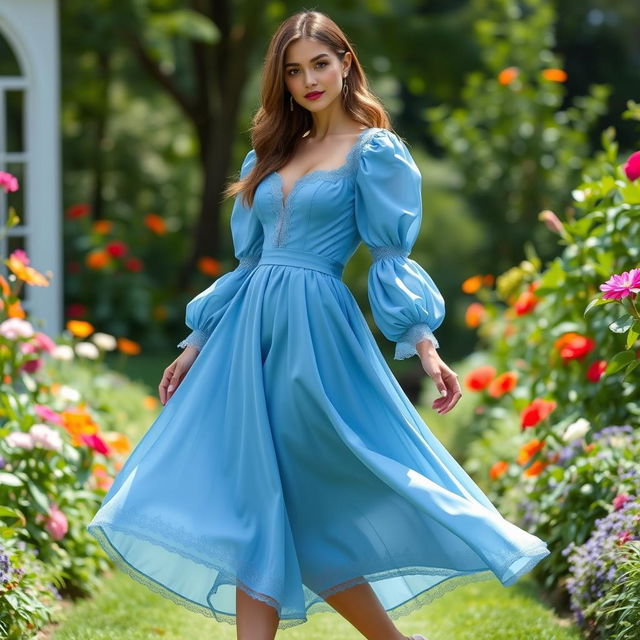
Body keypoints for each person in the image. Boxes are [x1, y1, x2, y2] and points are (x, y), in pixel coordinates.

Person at [86, 9, 550, 640]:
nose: (308, 80)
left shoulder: (374, 150)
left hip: (316, 333)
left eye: (320, 64)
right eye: (294, 70)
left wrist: (424, 346)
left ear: (345, 64)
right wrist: (197, 341)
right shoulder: (272, 151)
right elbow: (248, 263)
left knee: (309, 488)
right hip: (248, 334)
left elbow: (391, 258)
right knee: (259, 495)